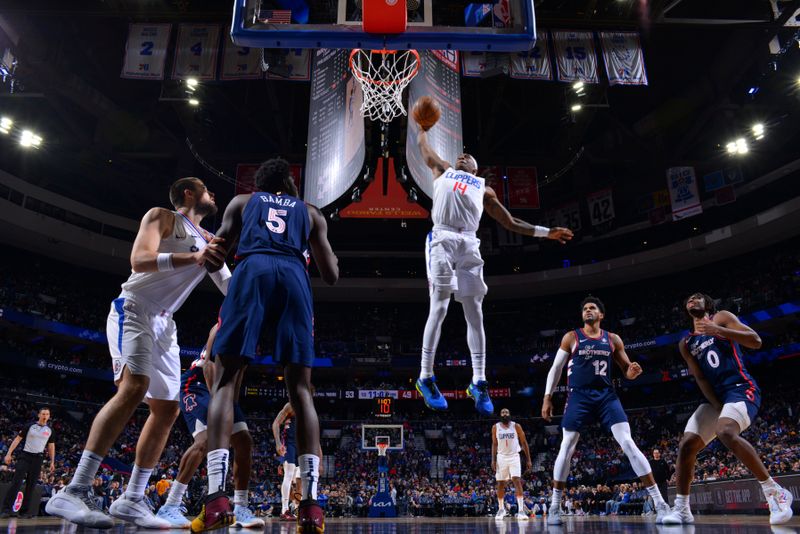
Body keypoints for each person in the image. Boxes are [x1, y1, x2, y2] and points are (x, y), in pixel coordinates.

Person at [46, 177, 229, 529]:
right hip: (135, 307)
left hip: (165, 322)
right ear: (188, 193)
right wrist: (195, 256)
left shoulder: (210, 241)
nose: (213, 193)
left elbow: (231, 288)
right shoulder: (162, 216)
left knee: (167, 408)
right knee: (133, 387)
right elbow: (139, 259)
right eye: (206, 188)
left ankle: (132, 498)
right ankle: (75, 488)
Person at [190, 158, 338, 533]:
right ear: (289, 183)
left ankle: (217, 501)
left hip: (252, 270)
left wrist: (212, 249)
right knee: (301, 390)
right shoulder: (311, 212)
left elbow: (215, 259)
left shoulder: (242, 203)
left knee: (225, 382)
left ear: (258, 184)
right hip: (293, 276)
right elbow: (331, 275)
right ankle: (311, 508)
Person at [412, 105, 573, 415]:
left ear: (476, 168)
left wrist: (545, 232)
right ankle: (426, 376)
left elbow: (511, 222)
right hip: (442, 239)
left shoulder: (483, 189)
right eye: (460, 155)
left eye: (467, 157)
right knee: (441, 304)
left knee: (475, 311)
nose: (461, 157)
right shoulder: (443, 170)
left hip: (470, 244)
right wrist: (421, 129)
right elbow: (424, 149)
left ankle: (479, 382)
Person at [662, 293, 793, 525]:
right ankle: (682, 509)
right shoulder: (686, 343)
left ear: (708, 305)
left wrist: (720, 331)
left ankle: (776, 493)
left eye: (698, 297)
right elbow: (701, 378)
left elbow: (755, 341)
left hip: (742, 388)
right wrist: (717, 405)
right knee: (686, 445)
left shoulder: (721, 317)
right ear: (685, 308)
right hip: (718, 397)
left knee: (725, 432)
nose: (692, 300)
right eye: (689, 299)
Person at [541, 296, 670, 525]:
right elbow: (556, 368)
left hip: (605, 396)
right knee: (567, 445)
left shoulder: (612, 339)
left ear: (601, 315)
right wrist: (547, 397)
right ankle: (554, 506)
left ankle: (660, 503)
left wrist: (633, 371)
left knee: (628, 443)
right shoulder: (572, 337)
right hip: (579, 396)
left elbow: (626, 371)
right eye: (585, 309)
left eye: (592, 308)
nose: (588, 310)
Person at [156, 324, 264, 529]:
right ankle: (170, 505)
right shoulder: (224, 325)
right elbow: (208, 366)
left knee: (244, 441)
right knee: (205, 440)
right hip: (197, 385)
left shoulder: (252, 333)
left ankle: (240, 508)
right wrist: (219, 408)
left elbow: (238, 374)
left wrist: (233, 405)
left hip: (223, 390)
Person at [1, 407, 55, 518]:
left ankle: (24, 512)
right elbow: (17, 439)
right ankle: (6, 510)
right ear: (39, 415)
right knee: (16, 482)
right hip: (25, 456)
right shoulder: (30, 426)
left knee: (31, 485)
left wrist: (52, 461)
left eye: (47, 414)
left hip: (38, 459)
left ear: (49, 416)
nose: (45, 416)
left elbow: (51, 446)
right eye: (43, 414)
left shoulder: (50, 430)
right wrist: (8, 453)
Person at [491, 408, 532, 520]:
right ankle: (501, 509)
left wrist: (528, 459)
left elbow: (524, 442)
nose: (504, 414)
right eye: (503, 412)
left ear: (509, 415)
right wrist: (493, 460)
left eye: (506, 412)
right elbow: (494, 444)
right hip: (501, 457)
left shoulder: (516, 426)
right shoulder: (495, 427)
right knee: (500, 484)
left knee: (517, 481)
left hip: (514, 456)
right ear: (500, 415)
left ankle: (521, 511)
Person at [272, 402, 302, 520]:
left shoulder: (308, 407)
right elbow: (275, 423)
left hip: (301, 445)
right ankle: (285, 509)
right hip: (290, 443)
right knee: (288, 475)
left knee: (300, 483)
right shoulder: (291, 405)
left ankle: (296, 507)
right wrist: (278, 443)